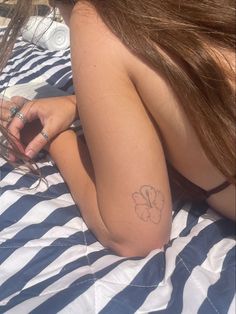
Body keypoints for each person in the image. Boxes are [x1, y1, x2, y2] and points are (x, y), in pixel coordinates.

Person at [0, 0, 235, 257]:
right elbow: (187, 73)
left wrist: (51, 137)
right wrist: (81, 102)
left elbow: (137, 234)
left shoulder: (95, 16)